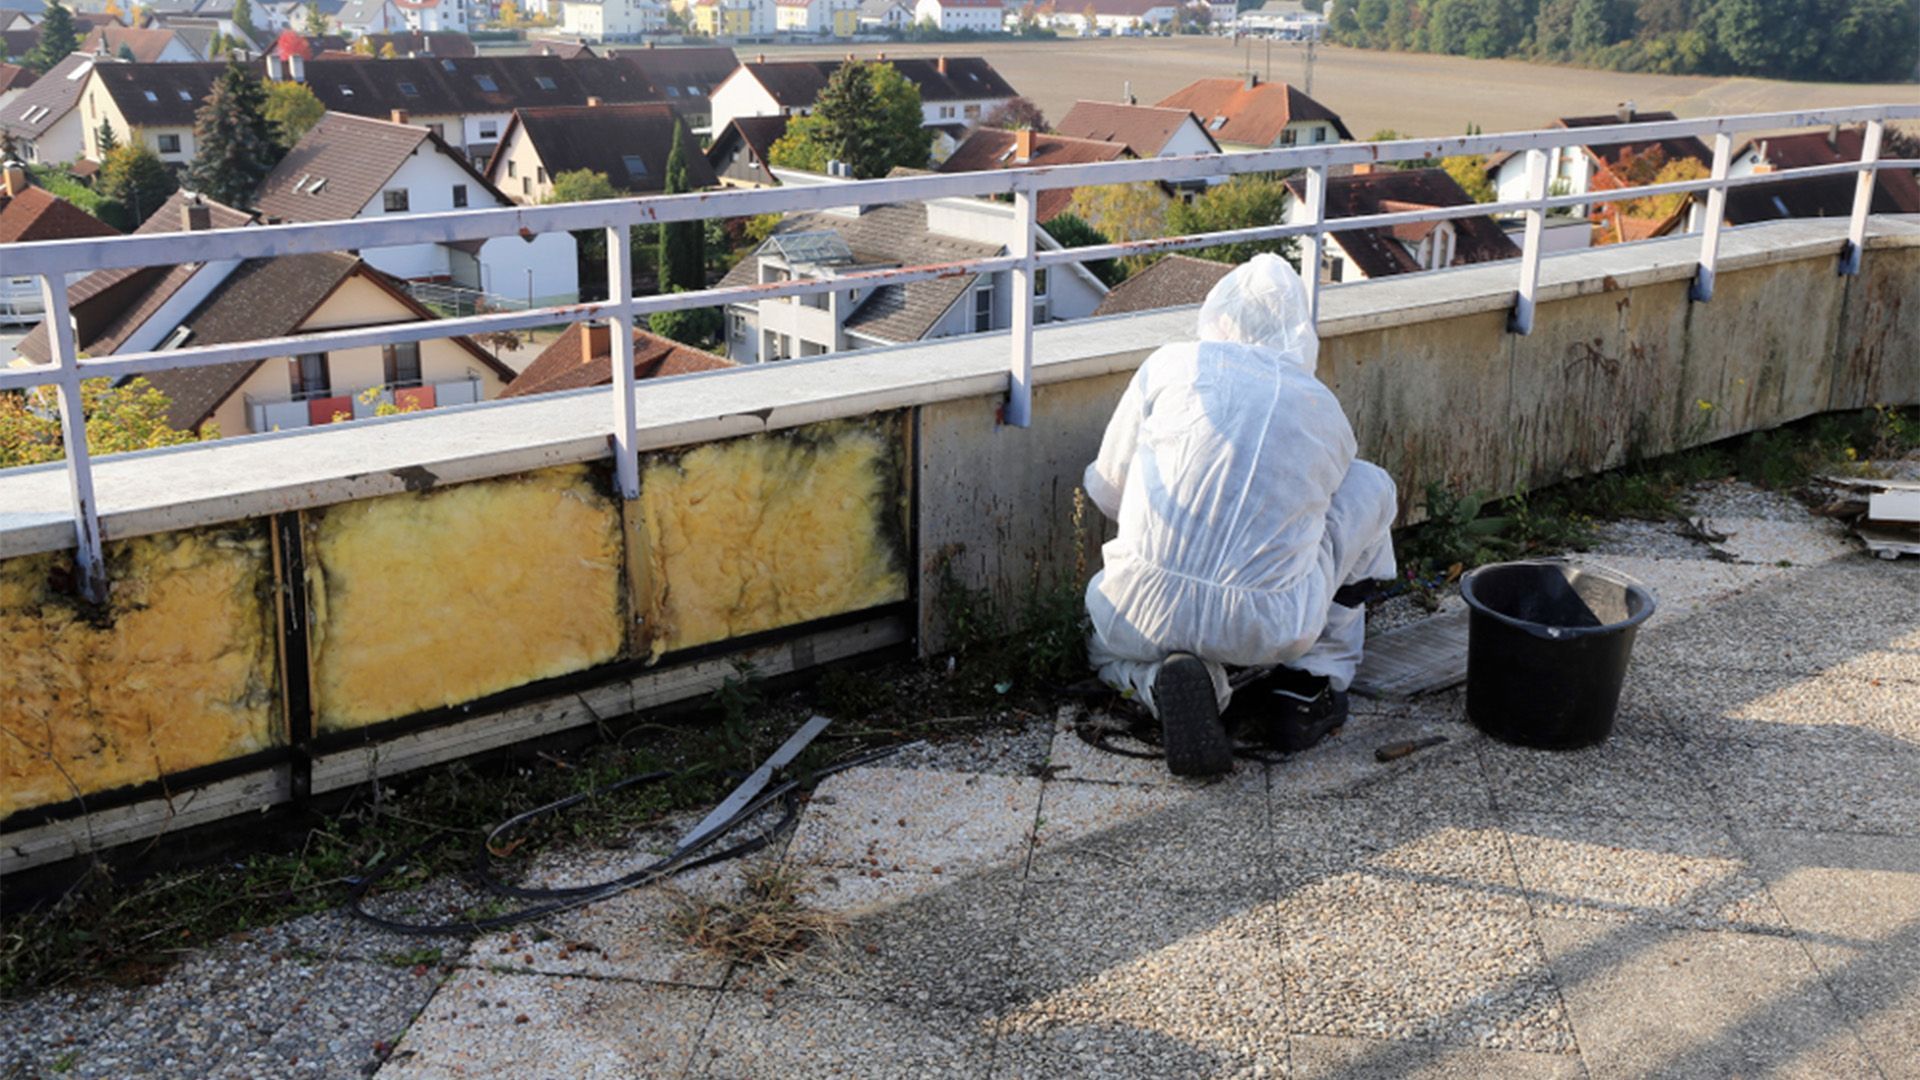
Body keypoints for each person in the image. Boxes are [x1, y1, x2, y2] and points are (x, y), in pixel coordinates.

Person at [1082, 253, 1398, 776]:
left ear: (1218, 318)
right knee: (1370, 484)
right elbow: (1319, 517)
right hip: (1271, 627)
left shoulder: (1169, 364)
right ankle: (1311, 681)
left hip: (1135, 609)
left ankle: (1163, 686)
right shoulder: (1324, 411)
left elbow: (1108, 491)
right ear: (1300, 334)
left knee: (1100, 647)